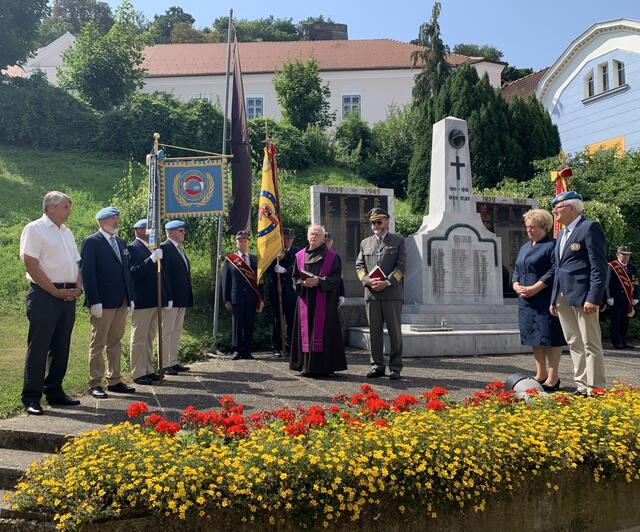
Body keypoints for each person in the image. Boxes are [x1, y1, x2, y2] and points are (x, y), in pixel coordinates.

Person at [19, 191, 82, 415]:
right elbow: (31, 264)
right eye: (66, 207)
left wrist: (78, 286)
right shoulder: (35, 229)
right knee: (39, 346)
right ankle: (31, 397)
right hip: (45, 295)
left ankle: (54, 391)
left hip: (67, 296)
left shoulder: (67, 232)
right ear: (51, 207)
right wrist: (54, 291)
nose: (69, 211)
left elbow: (76, 263)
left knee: (61, 345)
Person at [549, 191, 608, 396]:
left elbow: (599, 266)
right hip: (563, 296)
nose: (554, 210)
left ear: (573, 208)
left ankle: (596, 387)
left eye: (558, 206)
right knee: (574, 342)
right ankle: (582, 385)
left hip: (584, 296)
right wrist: (554, 298)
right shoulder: (561, 234)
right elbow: (558, 268)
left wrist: (594, 297)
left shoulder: (589, 228)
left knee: (590, 342)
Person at [81, 207, 135, 398]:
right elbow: (88, 274)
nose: (117, 222)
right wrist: (94, 300)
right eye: (114, 219)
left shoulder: (120, 242)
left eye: (117, 218)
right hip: (103, 302)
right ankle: (95, 382)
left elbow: (126, 272)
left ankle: (115, 380)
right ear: (103, 221)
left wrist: (130, 298)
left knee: (115, 341)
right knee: (98, 343)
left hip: (121, 301)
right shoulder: (91, 242)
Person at [512, 209, 566, 392]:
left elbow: (554, 271)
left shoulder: (552, 245)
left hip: (545, 298)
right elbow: (517, 269)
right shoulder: (525, 247)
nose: (529, 230)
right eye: (527, 227)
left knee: (550, 337)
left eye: (532, 227)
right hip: (526, 300)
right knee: (535, 337)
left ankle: (553, 377)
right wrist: (515, 284)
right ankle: (540, 373)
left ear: (544, 226)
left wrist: (536, 287)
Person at [290, 225, 347, 377]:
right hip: (305, 300)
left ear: (323, 238)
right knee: (305, 332)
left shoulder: (332, 257)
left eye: (317, 234)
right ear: (307, 236)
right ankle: (304, 366)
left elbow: (336, 279)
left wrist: (319, 281)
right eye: (311, 234)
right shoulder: (299, 256)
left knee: (324, 332)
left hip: (325, 301)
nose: (313, 237)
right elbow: (294, 278)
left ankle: (325, 367)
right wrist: (303, 283)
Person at [355, 208, 406, 380]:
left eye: (379, 222)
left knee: (394, 332)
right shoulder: (365, 243)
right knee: (374, 332)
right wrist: (367, 281)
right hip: (372, 294)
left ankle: (395, 368)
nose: (376, 225)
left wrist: (387, 282)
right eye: (373, 223)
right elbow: (359, 266)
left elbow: (402, 266)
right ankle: (377, 366)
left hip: (391, 293)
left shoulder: (398, 241)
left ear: (387, 222)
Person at [127, 219, 166, 385]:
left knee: (149, 337)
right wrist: (150, 260)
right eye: (144, 228)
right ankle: (137, 372)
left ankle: (148, 369)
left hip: (154, 298)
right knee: (139, 337)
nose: (148, 231)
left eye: (149, 228)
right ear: (136, 230)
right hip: (142, 299)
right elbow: (133, 272)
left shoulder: (151, 247)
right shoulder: (132, 248)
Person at [223, 231, 263, 360]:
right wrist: (226, 299)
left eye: (245, 241)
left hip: (251, 297)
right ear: (236, 243)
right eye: (240, 241)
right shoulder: (230, 260)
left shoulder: (254, 259)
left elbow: (259, 280)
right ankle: (236, 350)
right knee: (237, 325)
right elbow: (225, 281)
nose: (243, 243)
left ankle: (247, 350)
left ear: (248, 243)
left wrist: (260, 297)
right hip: (236, 298)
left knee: (249, 324)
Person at [160, 220, 192, 375]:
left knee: (176, 330)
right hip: (171, 299)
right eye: (181, 231)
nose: (183, 233)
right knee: (167, 331)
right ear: (171, 232)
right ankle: (164, 363)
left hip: (181, 297)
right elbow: (165, 276)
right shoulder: (165, 247)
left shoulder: (179, 249)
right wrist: (168, 297)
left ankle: (173, 361)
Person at [266, 228, 298, 357]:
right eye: (286, 238)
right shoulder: (274, 251)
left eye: (291, 239)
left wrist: (285, 270)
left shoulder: (297, 252)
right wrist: (273, 268)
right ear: (282, 239)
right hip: (276, 291)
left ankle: (290, 346)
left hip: (291, 291)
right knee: (277, 319)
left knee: (291, 320)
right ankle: (276, 347)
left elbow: (298, 267)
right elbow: (266, 267)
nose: (289, 241)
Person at [607, 246, 639, 349]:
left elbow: (635, 282)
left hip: (627, 298)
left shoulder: (631, 267)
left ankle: (623, 340)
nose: (626, 256)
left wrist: (636, 296)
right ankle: (616, 341)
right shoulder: (612, 266)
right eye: (623, 254)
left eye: (628, 254)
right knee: (616, 320)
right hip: (615, 298)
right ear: (617, 255)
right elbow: (606, 283)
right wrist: (608, 297)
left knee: (625, 320)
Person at [324, 232, 345, 307]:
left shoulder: (336, 257)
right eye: (325, 241)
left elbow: (340, 277)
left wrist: (342, 294)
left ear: (332, 242)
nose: (327, 243)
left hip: (333, 292)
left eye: (328, 241)